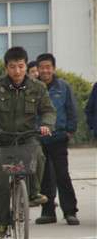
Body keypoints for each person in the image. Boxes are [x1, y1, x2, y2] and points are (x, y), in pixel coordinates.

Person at [0, 46, 55, 239]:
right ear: (6, 68)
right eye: (12, 67)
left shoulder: (37, 87)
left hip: (26, 138)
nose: (17, 71)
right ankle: (2, 223)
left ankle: (34, 192)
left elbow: (48, 110)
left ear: (26, 66)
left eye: (20, 66)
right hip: (2, 141)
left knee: (39, 156)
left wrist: (46, 125)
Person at [35, 53, 79, 225]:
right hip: (39, 139)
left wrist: (69, 131)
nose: (45, 71)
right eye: (41, 67)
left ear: (53, 68)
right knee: (44, 177)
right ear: (37, 69)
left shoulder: (63, 86)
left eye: (48, 67)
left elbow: (71, 110)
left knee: (62, 175)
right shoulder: (32, 87)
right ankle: (48, 213)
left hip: (59, 137)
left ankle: (70, 212)